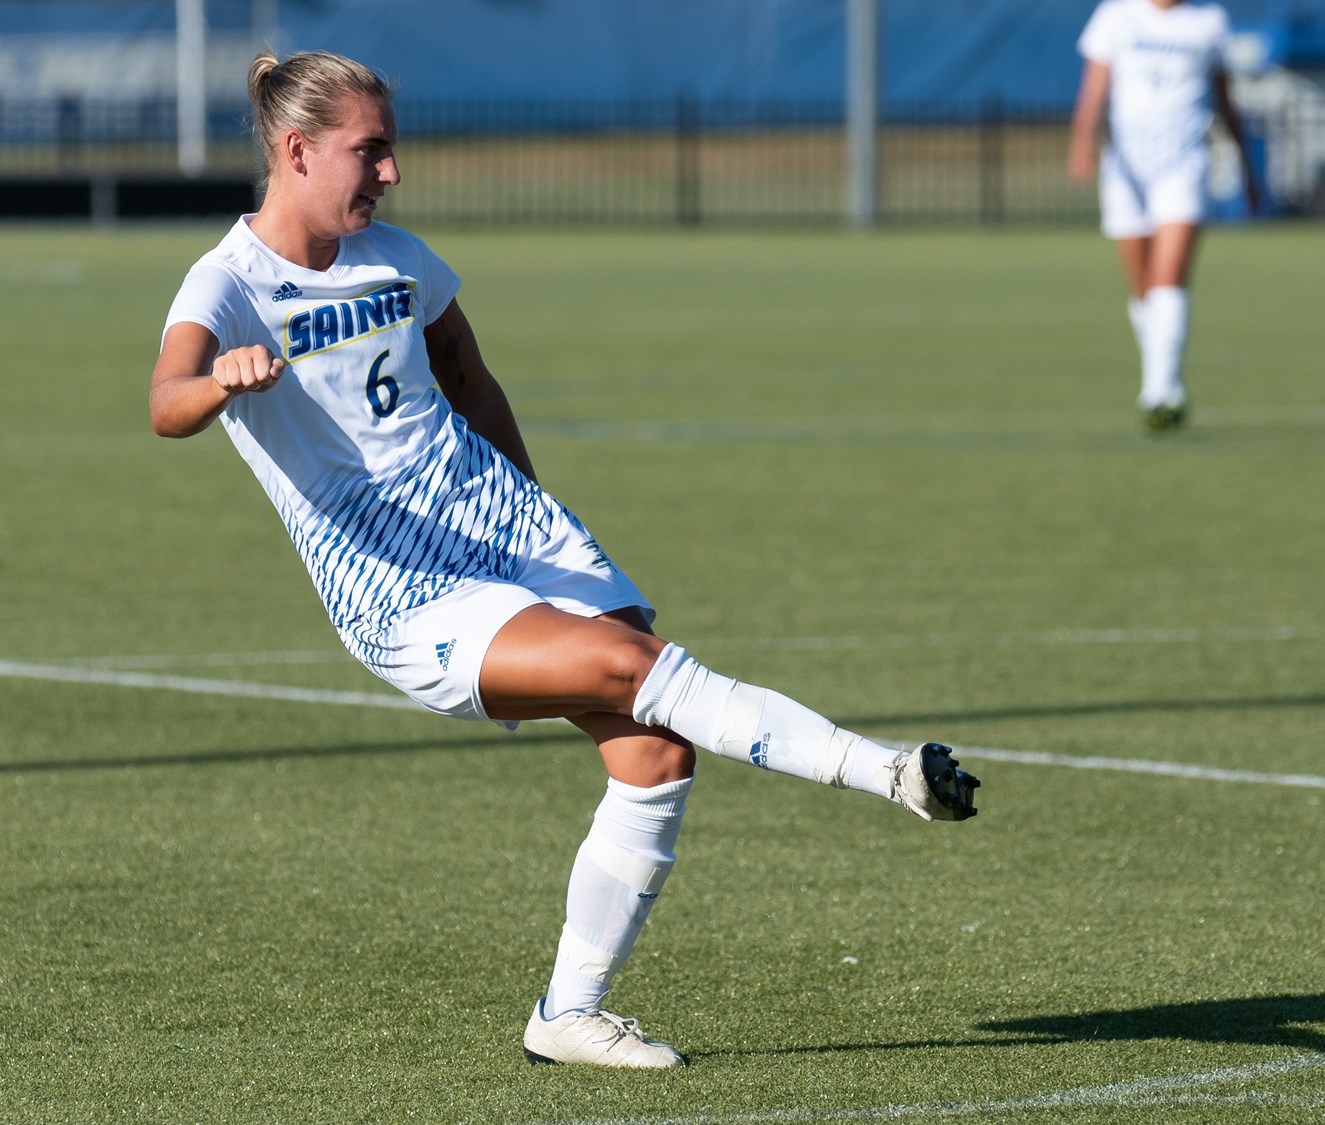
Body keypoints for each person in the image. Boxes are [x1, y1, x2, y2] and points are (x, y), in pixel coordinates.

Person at [148, 50, 980, 1071]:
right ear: (296, 150)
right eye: (371, 153)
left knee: (651, 749)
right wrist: (219, 381)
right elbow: (164, 403)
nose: (391, 173)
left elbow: (468, 375)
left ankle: (567, 1016)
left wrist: (529, 512)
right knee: (639, 675)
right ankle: (886, 771)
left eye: (392, 151)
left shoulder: (399, 258)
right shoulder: (226, 282)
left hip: (506, 527)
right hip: (396, 585)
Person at [1067, 0, 1260, 434]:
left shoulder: (1208, 21)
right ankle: (1160, 377)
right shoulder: (1116, 15)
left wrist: (1246, 165)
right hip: (1127, 165)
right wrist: (1082, 142)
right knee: (1142, 286)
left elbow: (1226, 99)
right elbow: (1095, 85)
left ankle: (1161, 390)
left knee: (1168, 275)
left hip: (1184, 161)